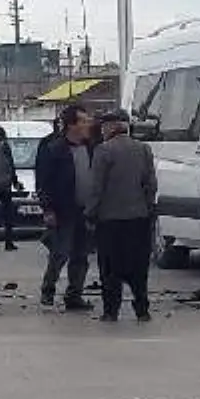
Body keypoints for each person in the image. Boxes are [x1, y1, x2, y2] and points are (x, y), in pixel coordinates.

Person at [87, 109, 157, 322]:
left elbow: (96, 187)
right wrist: (146, 207)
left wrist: (90, 213)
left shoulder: (103, 151)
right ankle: (142, 309)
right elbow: (151, 184)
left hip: (110, 220)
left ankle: (111, 311)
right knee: (138, 266)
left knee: (110, 268)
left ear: (110, 127)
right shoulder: (144, 149)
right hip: (138, 218)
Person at [35, 104, 96, 311]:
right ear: (71, 125)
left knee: (81, 255)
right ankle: (48, 290)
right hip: (63, 209)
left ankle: (74, 295)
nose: (88, 125)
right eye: (83, 121)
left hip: (85, 210)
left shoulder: (91, 147)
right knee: (59, 253)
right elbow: (43, 181)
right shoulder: (55, 149)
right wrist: (48, 209)